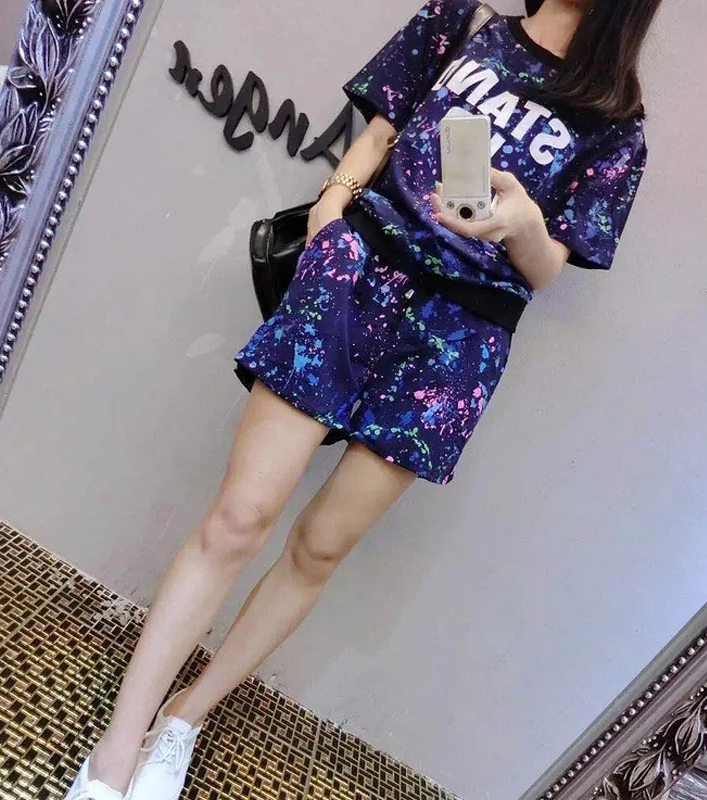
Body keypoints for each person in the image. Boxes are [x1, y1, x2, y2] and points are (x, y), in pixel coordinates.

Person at [64, 0, 659, 797]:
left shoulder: (617, 120)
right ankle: (116, 748)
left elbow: (549, 267)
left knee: (319, 548)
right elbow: (380, 133)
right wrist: (331, 209)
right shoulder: (467, 17)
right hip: (356, 280)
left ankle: (184, 719)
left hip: (458, 341)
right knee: (239, 517)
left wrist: (521, 222)